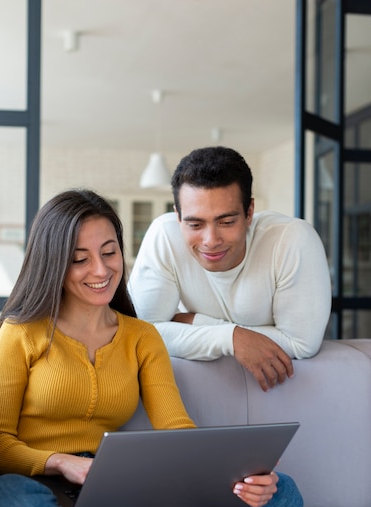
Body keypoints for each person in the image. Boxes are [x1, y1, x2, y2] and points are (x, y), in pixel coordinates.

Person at [0, 188, 303, 507]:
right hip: (42, 503)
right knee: (2, 503)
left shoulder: (141, 337)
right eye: (79, 258)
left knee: (281, 495)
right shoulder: (21, 333)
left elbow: (176, 428)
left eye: (109, 252)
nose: (100, 269)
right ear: (54, 263)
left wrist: (230, 474)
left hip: (120, 506)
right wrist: (63, 464)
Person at [128, 146, 332, 392]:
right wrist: (230, 338)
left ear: (249, 213)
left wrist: (196, 322)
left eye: (226, 222)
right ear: (178, 217)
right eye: (195, 223)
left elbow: (301, 344)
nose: (211, 240)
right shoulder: (164, 235)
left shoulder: (292, 240)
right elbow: (141, 333)